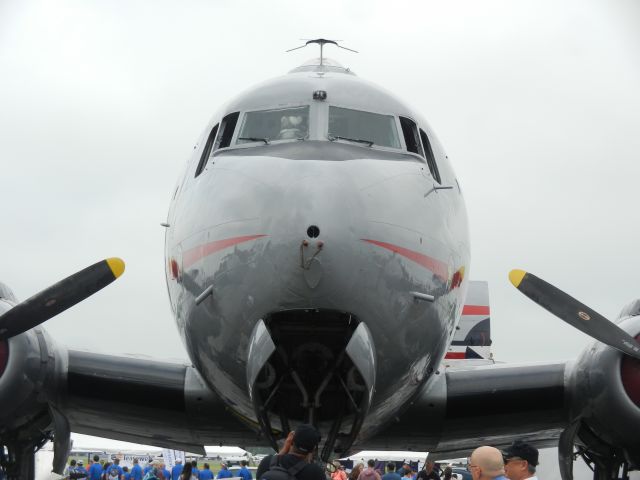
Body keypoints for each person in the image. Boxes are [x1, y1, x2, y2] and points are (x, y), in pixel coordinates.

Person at [256, 423, 324, 480]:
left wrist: (284, 448)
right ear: (313, 449)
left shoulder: (267, 462)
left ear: (291, 441)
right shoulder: (315, 473)